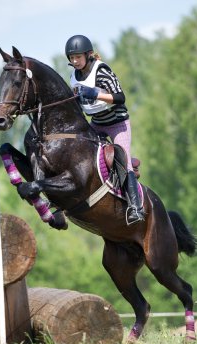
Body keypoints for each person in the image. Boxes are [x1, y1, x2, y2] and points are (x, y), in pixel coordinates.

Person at [65, 34, 144, 225]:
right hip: (97, 124)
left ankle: (136, 208)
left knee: (123, 163)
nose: (75, 61)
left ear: (89, 55)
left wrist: (94, 93)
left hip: (117, 123)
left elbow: (120, 98)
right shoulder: (73, 77)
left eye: (78, 57)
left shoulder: (101, 72)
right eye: (71, 58)